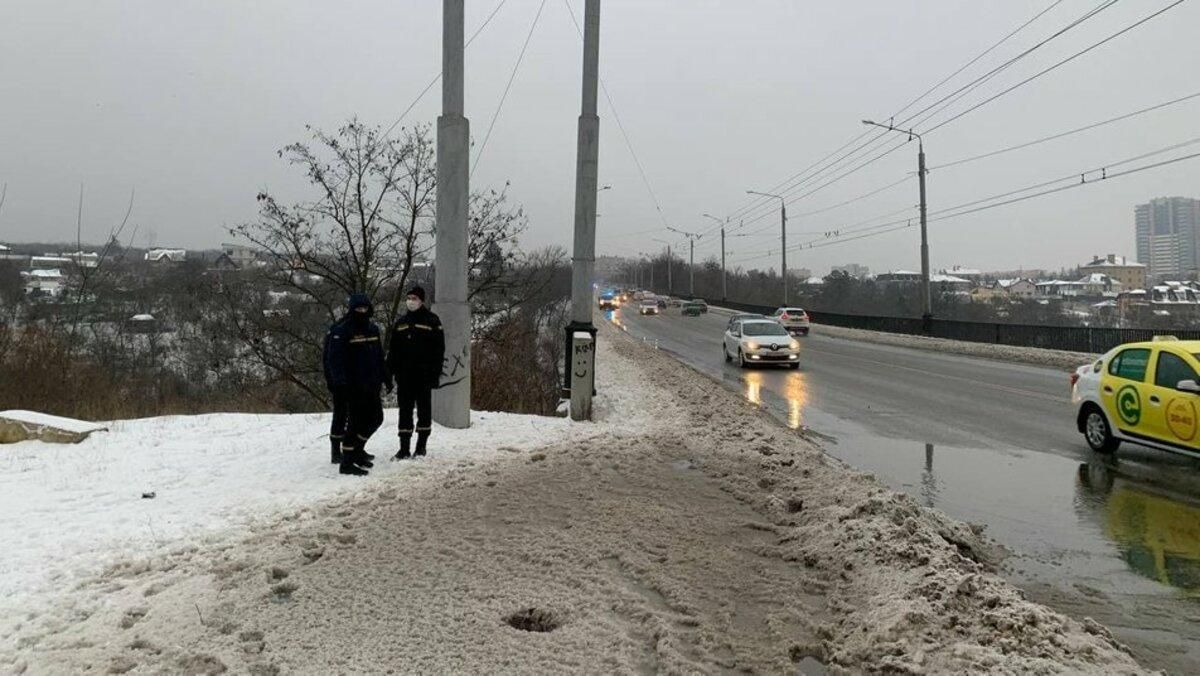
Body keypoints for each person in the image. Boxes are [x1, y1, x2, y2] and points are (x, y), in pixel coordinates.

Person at [322, 292, 392, 475]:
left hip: (372, 385)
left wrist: (386, 377)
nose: (362, 311)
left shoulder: (373, 330)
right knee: (354, 424)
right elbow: (334, 361)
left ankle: (358, 451)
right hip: (353, 386)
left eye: (365, 308)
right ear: (352, 310)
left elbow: (378, 357)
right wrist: (340, 384)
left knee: (376, 418)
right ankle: (346, 462)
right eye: (358, 308)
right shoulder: (342, 331)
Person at [386, 286, 444, 460]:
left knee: (424, 411)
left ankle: (421, 447)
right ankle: (404, 448)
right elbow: (393, 351)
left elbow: (439, 350)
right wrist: (389, 373)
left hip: (424, 377)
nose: (411, 301)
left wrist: (435, 374)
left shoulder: (432, 321)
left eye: (414, 298)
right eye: (409, 297)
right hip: (404, 378)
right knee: (404, 412)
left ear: (421, 300)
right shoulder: (401, 323)